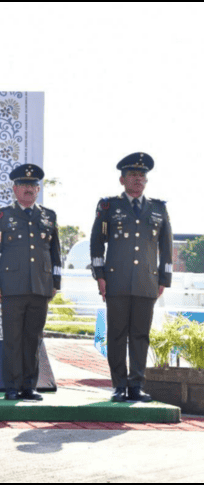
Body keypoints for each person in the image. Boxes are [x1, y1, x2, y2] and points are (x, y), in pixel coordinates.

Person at [89, 153, 172, 403]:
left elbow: (166, 248)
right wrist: (100, 276)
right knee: (116, 334)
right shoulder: (109, 206)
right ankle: (118, 385)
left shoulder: (158, 208)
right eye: (133, 175)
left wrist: (163, 280)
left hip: (147, 282)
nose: (138, 179)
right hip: (116, 281)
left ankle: (136, 385)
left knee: (140, 335)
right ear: (122, 179)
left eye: (142, 175)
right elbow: (96, 244)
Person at [0, 164, 61, 401]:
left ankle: (29, 386)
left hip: (40, 286)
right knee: (13, 339)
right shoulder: (2, 215)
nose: (28, 189)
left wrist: (55, 281)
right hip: (12, 286)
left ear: (38, 189)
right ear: (15, 189)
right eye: (23, 185)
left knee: (33, 338)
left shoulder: (49, 216)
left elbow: (56, 253)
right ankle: (11, 386)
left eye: (32, 185)